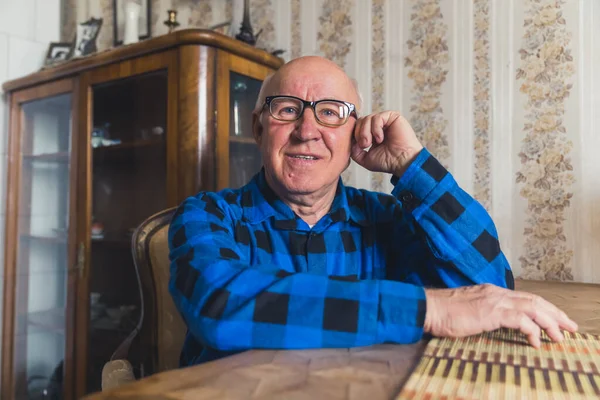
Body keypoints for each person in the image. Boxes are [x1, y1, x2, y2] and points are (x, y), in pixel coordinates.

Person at [168, 56, 577, 366]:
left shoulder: (389, 218)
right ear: (259, 129)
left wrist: (411, 164)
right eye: (287, 109)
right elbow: (218, 302)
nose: (307, 130)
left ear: (355, 134)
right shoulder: (207, 215)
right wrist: (430, 309)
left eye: (330, 113)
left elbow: (489, 284)